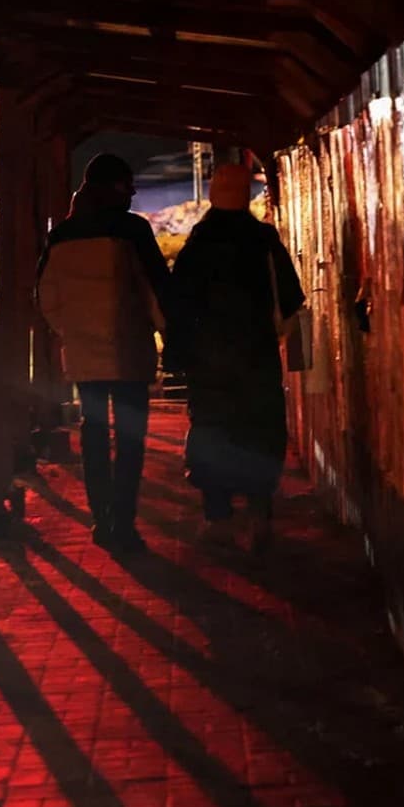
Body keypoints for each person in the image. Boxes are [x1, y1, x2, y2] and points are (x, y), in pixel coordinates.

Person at [35, 153, 170, 554]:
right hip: (128, 352)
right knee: (130, 441)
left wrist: (71, 330)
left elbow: (45, 296)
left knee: (93, 438)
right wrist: (168, 334)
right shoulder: (133, 231)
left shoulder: (61, 236)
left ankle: (101, 518)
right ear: (112, 187)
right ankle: (123, 522)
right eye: (127, 184)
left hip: (84, 355)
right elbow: (157, 289)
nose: (132, 192)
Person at [168, 162, 304, 555]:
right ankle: (260, 511)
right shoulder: (263, 240)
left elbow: (179, 304)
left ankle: (217, 515)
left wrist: (179, 355)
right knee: (259, 430)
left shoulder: (199, 242)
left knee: (212, 430)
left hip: (208, 361)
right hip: (256, 355)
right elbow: (291, 298)